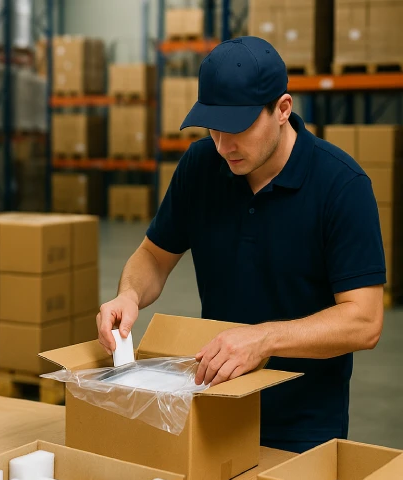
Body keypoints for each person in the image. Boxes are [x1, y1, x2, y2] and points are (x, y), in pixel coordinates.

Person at [97, 37, 385, 453]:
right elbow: (154, 257)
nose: (222, 145)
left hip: (302, 431)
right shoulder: (200, 167)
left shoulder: (341, 186)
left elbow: (365, 320)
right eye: (213, 128)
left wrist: (263, 339)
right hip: (211, 408)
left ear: (282, 109)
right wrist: (129, 294)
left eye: (238, 128)